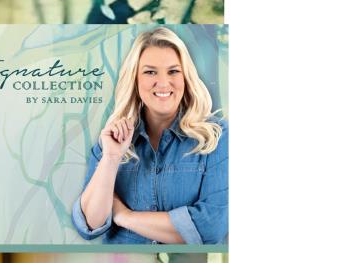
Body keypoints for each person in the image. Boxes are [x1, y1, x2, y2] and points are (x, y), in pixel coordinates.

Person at [73, 27, 227, 245]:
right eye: (150, 72)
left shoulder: (217, 137)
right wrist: (111, 158)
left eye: (173, 71)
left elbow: (210, 228)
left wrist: (124, 216)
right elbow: (90, 224)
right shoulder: (112, 139)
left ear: (186, 77)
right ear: (134, 79)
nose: (163, 83)